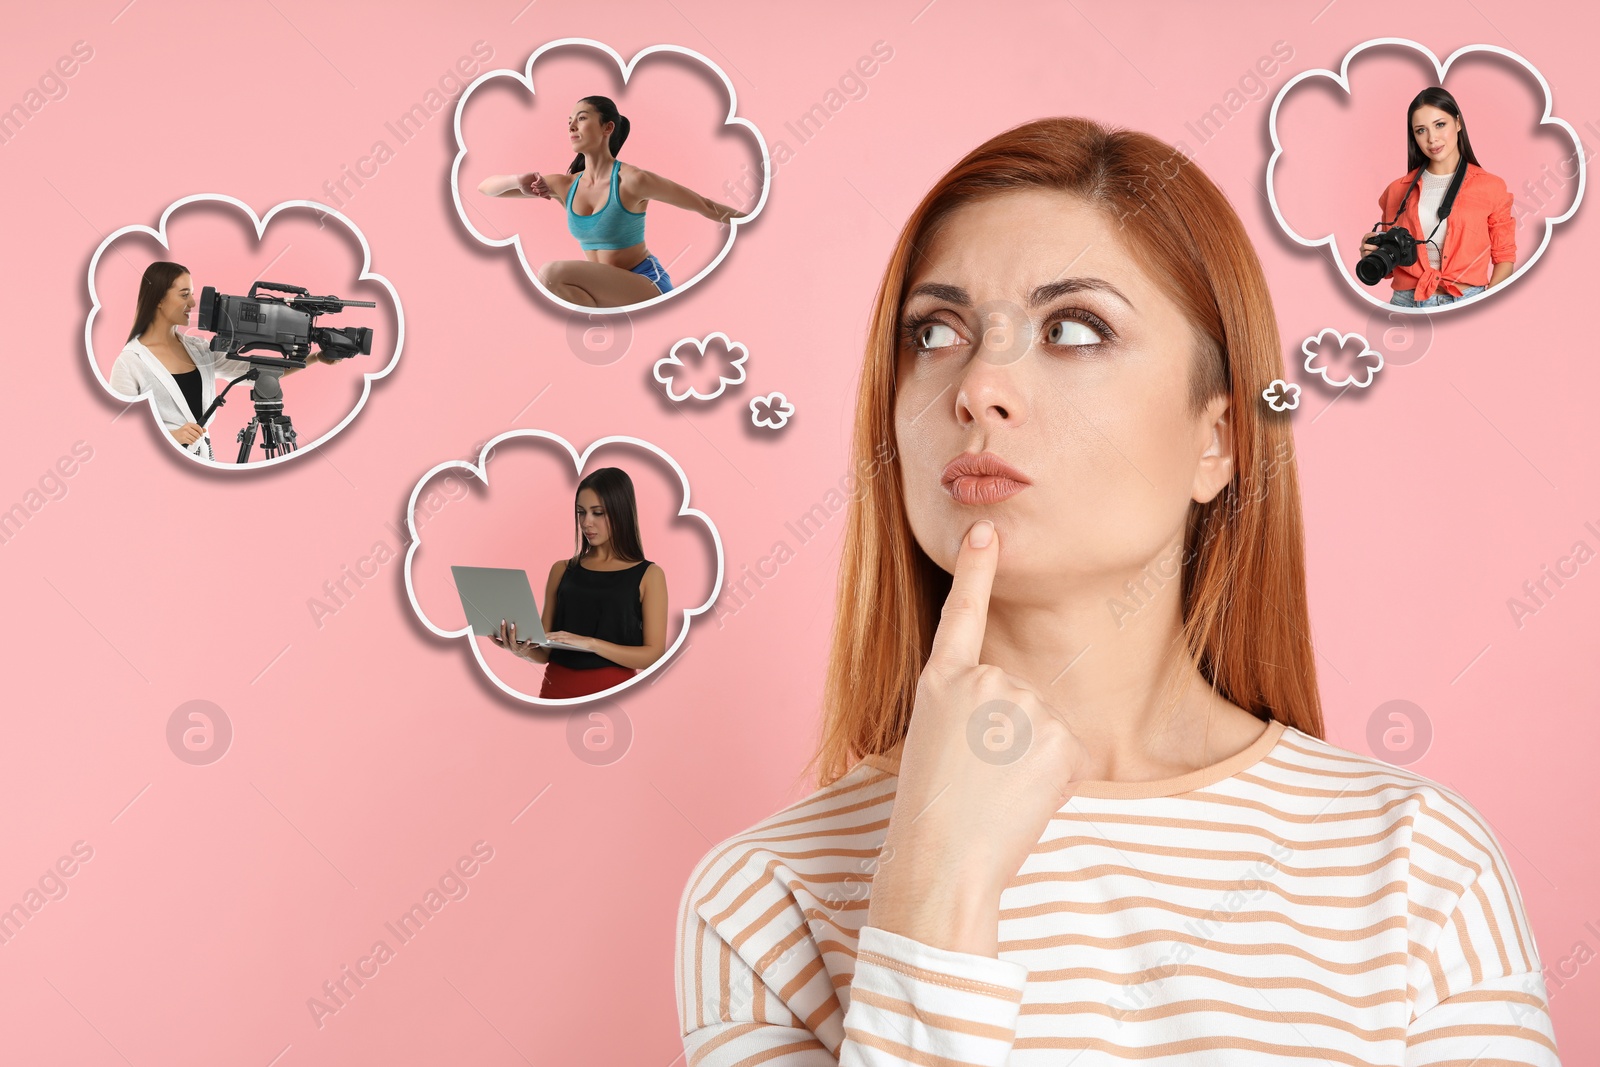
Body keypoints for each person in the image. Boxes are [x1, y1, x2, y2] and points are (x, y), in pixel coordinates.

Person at [675, 117, 1559, 1064]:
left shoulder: (1418, 867)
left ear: (1216, 439)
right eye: (936, 332)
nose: (979, 388)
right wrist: (934, 883)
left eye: (1073, 328)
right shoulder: (763, 901)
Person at [477, 95, 749, 307]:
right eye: (569, 120)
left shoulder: (633, 181)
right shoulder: (565, 185)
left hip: (646, 284)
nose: (572, 126)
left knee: (552, 274)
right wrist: (518, 180)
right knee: (562, 294)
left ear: (608, 127)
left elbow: (705, 206)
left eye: (581, 118)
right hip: (607, 295)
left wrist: (755, 223)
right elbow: (486, 188)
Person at [108, 261, 328, 461]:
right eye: (184, 295)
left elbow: (257, 373)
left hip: (203, 462)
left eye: (192, 294)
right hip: (160, 470)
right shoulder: (129, 363)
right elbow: (121, 437)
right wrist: (172, 437)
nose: (193, 302)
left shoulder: (200, 349)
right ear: (158, 299)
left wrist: (317, 358)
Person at [490, 467, 668, 699]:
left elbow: (654, 656)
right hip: (556, 690)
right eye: (581, 512)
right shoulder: (562, 570)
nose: (586, 523)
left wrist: (590, 643)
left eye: (598, 513)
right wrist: (519, 649)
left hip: (614, 694)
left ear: (621, 512)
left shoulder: (649, 575)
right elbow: (545, 650)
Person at [1359, 87, 1515, 307]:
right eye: (1421, 130)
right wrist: (1373, 254)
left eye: (1440, 125)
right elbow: (1393, 267)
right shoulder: (1396, 191)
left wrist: (1485, 305)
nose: (1432, 139)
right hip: (1406, 303)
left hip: (1467, 300)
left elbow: (1505, 258)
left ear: (1458, 123)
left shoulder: (1491, 187)